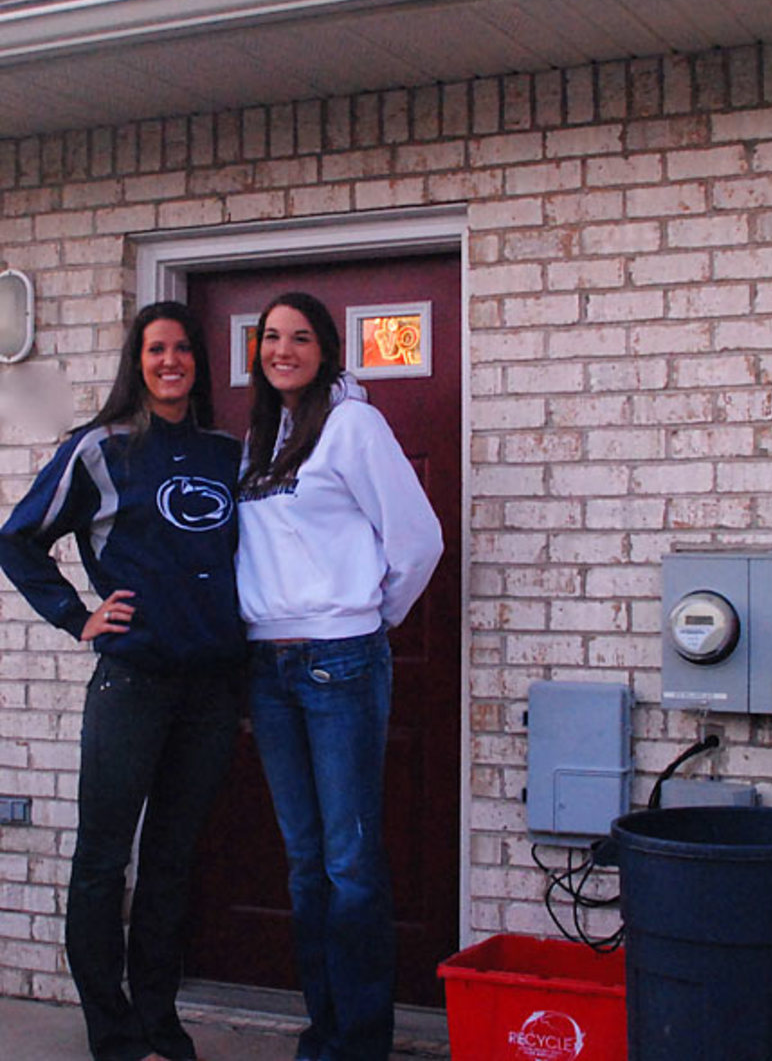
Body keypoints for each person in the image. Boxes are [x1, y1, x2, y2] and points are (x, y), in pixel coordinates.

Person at [0, 301, 244, 1061]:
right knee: (105, 860)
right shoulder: (101, 449)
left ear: (198, 363)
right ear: (136, 362)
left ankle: (159, 1021)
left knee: (172, 860)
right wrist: (79, 617)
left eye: (182, 349)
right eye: (155, 349)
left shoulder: (226, 451)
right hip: (132, 684)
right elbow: (18, 540)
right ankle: (111, 1030)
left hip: (210, 691)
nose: (170, 361)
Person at [236, 291, 443, 1061]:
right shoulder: (259, 435)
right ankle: (322, 1032)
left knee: (350, 863)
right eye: (271, 338)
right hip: (268, 664)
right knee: (303, 863)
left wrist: (367, 618)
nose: (283, 349)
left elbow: (418, 539)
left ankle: (359, 1044)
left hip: (338, 661)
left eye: (299, 337)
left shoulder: (354, 423)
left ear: (325, 348)